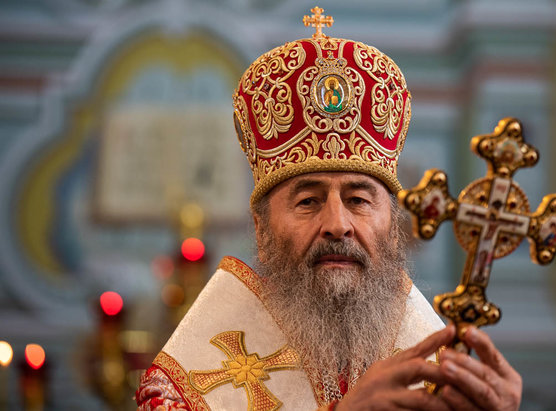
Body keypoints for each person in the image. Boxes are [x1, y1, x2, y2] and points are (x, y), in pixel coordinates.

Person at [136, 10, 522, 411]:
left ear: (392, 229)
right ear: (262, 231)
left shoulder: (442, 377)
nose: (338, 225)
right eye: (308, 201)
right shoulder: (181, 391)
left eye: (358, 200)